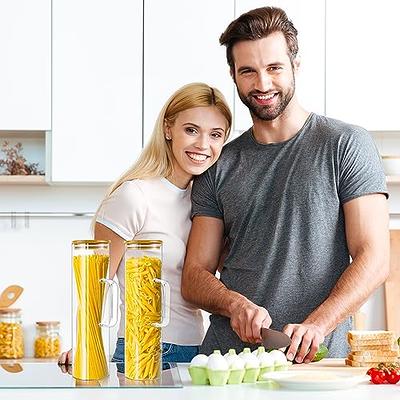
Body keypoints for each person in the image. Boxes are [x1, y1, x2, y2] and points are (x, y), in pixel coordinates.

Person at [181, 7, 390, 364]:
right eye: (248, 71)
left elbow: (375, 257)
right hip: (229, 366)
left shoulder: (345, 144)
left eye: (274, 68)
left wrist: (318, 326)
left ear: (295, 64)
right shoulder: (219, 164)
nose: (262, 84)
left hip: (318, 362)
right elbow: (194, 275)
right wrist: (234, 304)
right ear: (233, 75)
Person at [58, 82, 232, 365]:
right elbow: (96, 284)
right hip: (142, 352)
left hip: (200, 352)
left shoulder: (208, 205)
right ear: (168, 129)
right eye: (191, 130)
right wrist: (84, 345)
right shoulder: (135, 196)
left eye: (215, 135)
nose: (203, 145)